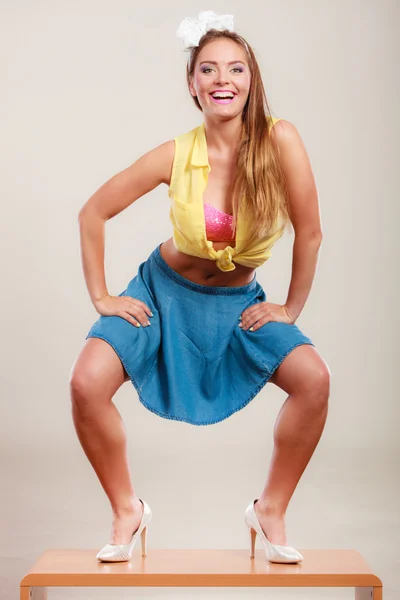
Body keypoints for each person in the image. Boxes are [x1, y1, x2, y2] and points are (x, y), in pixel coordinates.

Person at [69, 11, 330, 565]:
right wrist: (102, 297)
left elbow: (310, 231)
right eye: (208, 69)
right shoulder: (174, 154)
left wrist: (291, 306)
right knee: (87, 381)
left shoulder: (280, 141)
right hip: (161, 297)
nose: (222, 80)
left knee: (314, 380)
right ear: (193, 85)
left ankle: (270, 510)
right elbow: (93, 212)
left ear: (251, 80)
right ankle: (127, 510)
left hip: (235, 308)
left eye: (235, 69)